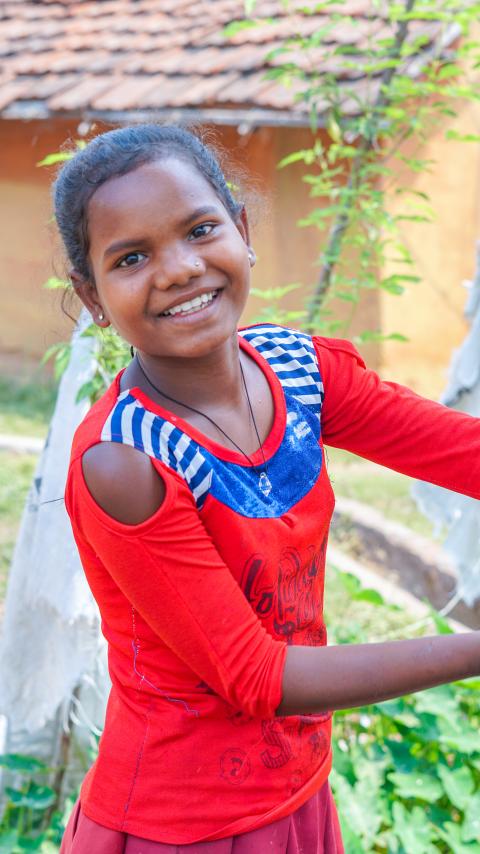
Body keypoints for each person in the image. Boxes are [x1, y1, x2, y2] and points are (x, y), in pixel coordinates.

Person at [54, 124, 480, 853]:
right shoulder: (126, 461)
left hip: (300, 789)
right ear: (92, 298)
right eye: (132, 257)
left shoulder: (299, 373)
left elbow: (464, 453)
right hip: (183, 825)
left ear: (242, 230)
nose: (180, 268)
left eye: (199, 229)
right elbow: (256, 676)